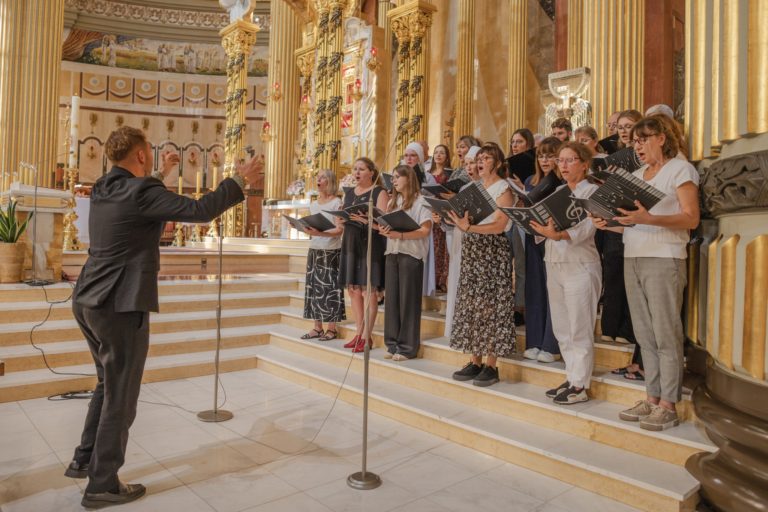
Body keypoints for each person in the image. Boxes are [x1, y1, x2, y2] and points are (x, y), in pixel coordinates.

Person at [64, 126, 246, 509]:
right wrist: (238, 180)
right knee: (121, 396)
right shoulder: (143, 192)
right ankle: (102, 484)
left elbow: (140, 196)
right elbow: (200, 210)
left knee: (105, 383)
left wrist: (161, 173)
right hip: (119, 303)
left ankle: (84, 459)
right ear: (142, 155)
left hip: (86, 298)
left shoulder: (101, 187)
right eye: (150, 151)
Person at [593, 114, 700, 431]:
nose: (636, 146)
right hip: (634, 254)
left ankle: (669, 403)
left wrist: (649, 219)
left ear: (661, 138)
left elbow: (691, 218)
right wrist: (607, 222)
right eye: (634, 141)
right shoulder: (638, 174)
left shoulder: (681, 169)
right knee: (644, 332)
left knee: (665, 331)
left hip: (664, 256)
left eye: (643, 139)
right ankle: (652, 396)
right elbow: (632, 219)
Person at [531, 142, 601, 404]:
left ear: (584, 163)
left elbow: (587, 229)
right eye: (561, 160)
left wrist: (559, 234)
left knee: (579, 326)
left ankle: (581, 384)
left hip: (580, 264)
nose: (563, 165)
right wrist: (537, 227)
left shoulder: (592, 191)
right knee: (562, 326)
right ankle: (572, 376)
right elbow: (548, 226)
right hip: (555, 261)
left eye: (570, 160)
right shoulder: (558, 191)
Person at [449, 143, 516, 387]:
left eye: (486, 158)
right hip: (472, 249)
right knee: (473, 305)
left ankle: (491, 364)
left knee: (491, 305)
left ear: (497, 163)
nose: (480, 162)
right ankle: (475, 360)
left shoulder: (503, 188)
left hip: (492, 250)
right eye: (479, 158)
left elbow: (500, 225)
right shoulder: (474, 187)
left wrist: (470, 227)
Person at [379, 165, 433, 360]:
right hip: (392, 252)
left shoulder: (421, 201)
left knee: (408, 301)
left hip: (411, 254)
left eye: (396, 177)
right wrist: (385, 230)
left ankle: (408, 347)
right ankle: (392, 344)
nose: (392, 181)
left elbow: (425, 230)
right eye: (392, 177)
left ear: (408, 179)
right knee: (392, 300)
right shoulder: (394, 201)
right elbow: (388, 225)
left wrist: (400, 234)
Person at [339, 157, 390, 353]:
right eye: (355, 169)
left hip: (371, 243)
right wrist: (341, 219)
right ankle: (359, 333)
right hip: (351, 242)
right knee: (353, 291)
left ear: (371, 172)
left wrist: (365, 220)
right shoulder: (350, 193)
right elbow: (345, 216)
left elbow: (383, 222)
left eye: (361, 169)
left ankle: (367, 336)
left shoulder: (379, 192)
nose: (357, 172)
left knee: (368, 292)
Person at [523, 137, 563, 363]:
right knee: (535, 290)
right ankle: (534, 341)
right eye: (541, 155)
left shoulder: (560, 181)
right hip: (532, 239)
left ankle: (551, 344)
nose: (545, 160)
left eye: (550, 155)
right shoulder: (530, 180)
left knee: (552, 292)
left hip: (554, 240)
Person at [441, 145, 480, 338]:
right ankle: (457, 327)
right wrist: (443, 217)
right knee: (457, 281)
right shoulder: (464, 188)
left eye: (473, 163)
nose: (469, 167)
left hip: (478, 242)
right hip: (459, 238)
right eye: (466, 164)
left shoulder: (490, 187)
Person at [301, 169, 345, 341]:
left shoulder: (337, 203)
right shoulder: (314, 204)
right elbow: (314, 228)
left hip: (331, 251)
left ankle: (332, 329)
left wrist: (321, 234)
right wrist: (305, 229)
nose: (318, 180)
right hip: (315, 249)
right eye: (317, 177)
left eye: (323, 178)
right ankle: (317, 327)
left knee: (330, 288)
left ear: (330, 181)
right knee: (314, 288)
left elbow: (339, 230)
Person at [506, 128, 535, 325]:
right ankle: (506, 303)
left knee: (521, 265)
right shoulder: (506, 166)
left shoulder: (533, 169)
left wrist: (522, 188)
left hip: (523, 220)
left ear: (529, 144)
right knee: (504, 263)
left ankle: (520, 307)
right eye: (513, 142)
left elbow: (534, 197)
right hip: (506, 218)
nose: (515, 146)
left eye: (519, 142)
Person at [429, 144, 452, 292]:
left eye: (442, 153)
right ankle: (433, 278)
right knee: (434, 246)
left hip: (443, 211)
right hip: (430, 210)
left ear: (447, 156)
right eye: (436, 152)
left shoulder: (449, 174)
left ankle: (442, 279)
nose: (438, 155)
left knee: (443, 247)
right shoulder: (428, 173)